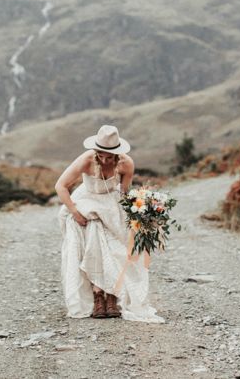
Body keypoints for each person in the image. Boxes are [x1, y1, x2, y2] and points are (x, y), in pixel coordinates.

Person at [55, 124, 164, 322]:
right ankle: (98, 295)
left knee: (118, 248)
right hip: (87, 200)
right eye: (101, 155)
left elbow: (123, 193)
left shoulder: (126, 164)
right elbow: (60, 186)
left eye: (109, 156)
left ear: (117, 153)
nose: (104, 159)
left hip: (111, 203)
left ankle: (112, 294)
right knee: (93, 238)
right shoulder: (86, 160)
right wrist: (75, 212)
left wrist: (141, 211)